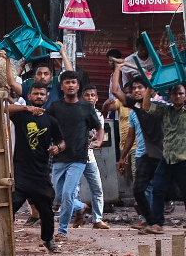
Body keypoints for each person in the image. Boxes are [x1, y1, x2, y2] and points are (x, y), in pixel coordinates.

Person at [8, 82, 66, 252]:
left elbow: (62, 141)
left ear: (46, 97)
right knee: (10, 207)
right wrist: (26, 109)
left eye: (42, 94)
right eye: (36, 94)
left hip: (40, 173)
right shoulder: (21, 116)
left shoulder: (51, 120)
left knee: (47, 211)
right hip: (21, 172)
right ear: (29, 96)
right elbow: (4, 109)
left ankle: (48, 240)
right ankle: (5, 241)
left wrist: (58, 148)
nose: (39, 96)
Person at [46, 70, 103, 240]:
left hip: (79, 158)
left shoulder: (86, 107)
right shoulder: (55, 107)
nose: (70, 85)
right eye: (67, 82)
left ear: (78, 86)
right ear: (61, 86)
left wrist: (99, 141)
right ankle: (79, 207)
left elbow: (99, 128)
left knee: (68, 193)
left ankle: (62, 230)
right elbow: (46, 126)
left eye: (73, 82)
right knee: (58, 195)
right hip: (59, 158)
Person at [117, 75, 163, 232]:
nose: (136, 91)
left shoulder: (159, 107)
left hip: (160, 155)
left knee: (154, 188)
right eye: (134, 88)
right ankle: (149, 220)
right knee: (142, 189)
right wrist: (122, 156)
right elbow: (131, 136)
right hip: (140, 154)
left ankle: (151, 220)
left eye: (140, 88)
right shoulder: (133, 112)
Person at [142, 83, 186, 234]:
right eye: (175, 94)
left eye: (181, 93)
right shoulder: (166, 110)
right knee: (158, 189)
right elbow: (146, 106)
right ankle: (158, 224)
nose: (178, 96)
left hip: (183, 158)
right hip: (167, 158)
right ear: (171, 96)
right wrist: (149, 87)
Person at [80, 84, 111, 230]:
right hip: (74, 155)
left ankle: (97, 220)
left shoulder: (98, 115)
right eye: (87, 95)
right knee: (73, 188)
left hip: (89, 155)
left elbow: (99, 133)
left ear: (97, 98)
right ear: (82, 97)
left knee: (97, 188)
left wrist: (96, 139)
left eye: (92, 95)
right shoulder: (76, 111)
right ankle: (75, 216)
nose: (90, 98)